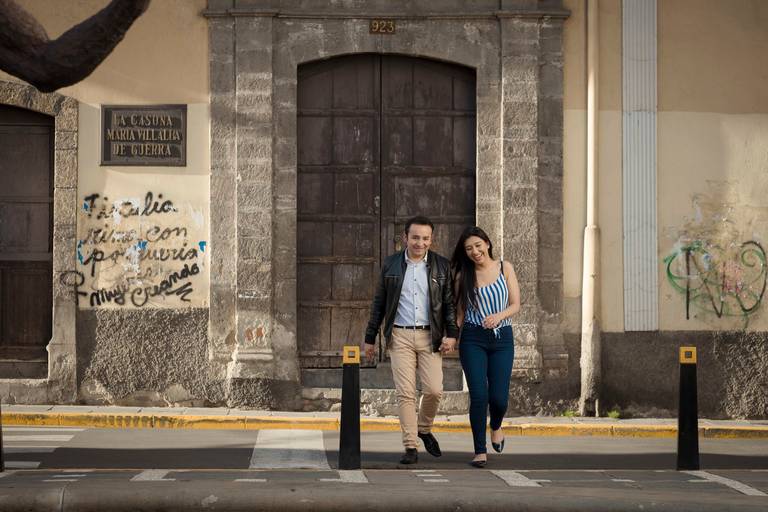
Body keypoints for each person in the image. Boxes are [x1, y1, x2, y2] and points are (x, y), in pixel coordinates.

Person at [364, 216, 459, 465]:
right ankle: (410, 446)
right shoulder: (391, 264)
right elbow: (379, 304)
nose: (420, 243)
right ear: (405, 238)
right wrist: (370, 338)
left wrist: (452, 334)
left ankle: (424, 429)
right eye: (415, 237)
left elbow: (449, 304)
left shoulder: (441, 265)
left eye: (425, 238)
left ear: (431, 239)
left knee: (434, 390)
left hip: (431, 336)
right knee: (405, 393)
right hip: (400, 335)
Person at [451, 226, 521, 468]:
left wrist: (498, 316)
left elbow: (516, 304)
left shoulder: (505, 268)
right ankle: (479, 450)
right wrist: (452, 336)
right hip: (472, 339)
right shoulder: (464, 275)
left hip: (502, 338)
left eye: (478, 246)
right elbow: (460, 312)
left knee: (499, 399)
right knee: (479, 396)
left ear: (487, 244)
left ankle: (497, 424)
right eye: (469, 248)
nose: (474, 251)